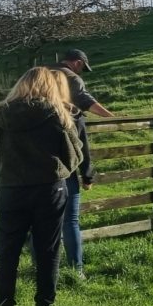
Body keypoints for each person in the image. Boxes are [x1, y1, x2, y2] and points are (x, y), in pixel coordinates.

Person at [0, 67, 83, 306]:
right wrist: (58, 170)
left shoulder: (0, 117)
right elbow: (75, 156)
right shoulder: (57, 115)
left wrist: (6, 171)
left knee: (8, 250)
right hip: (48, 189)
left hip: (11, 189)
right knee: (48, 249)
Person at [52, 49, 113, 277]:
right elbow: (85, 104)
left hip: (32, 167)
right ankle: (76, 270)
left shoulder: (36, 74)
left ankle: (42, 268)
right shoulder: (72, 82)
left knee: (40, 221)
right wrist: (112, 117)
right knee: (70, 220)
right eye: (82, 68)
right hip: (65, 165)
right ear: (77, 63)